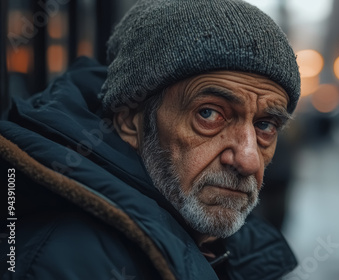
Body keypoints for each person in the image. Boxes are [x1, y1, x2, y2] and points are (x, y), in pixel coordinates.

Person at [0, 0, 301, 279]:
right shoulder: (61, 262)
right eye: (209, 114)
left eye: (265, 125)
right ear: (131, 121)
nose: (248, 160)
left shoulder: (223, 243)